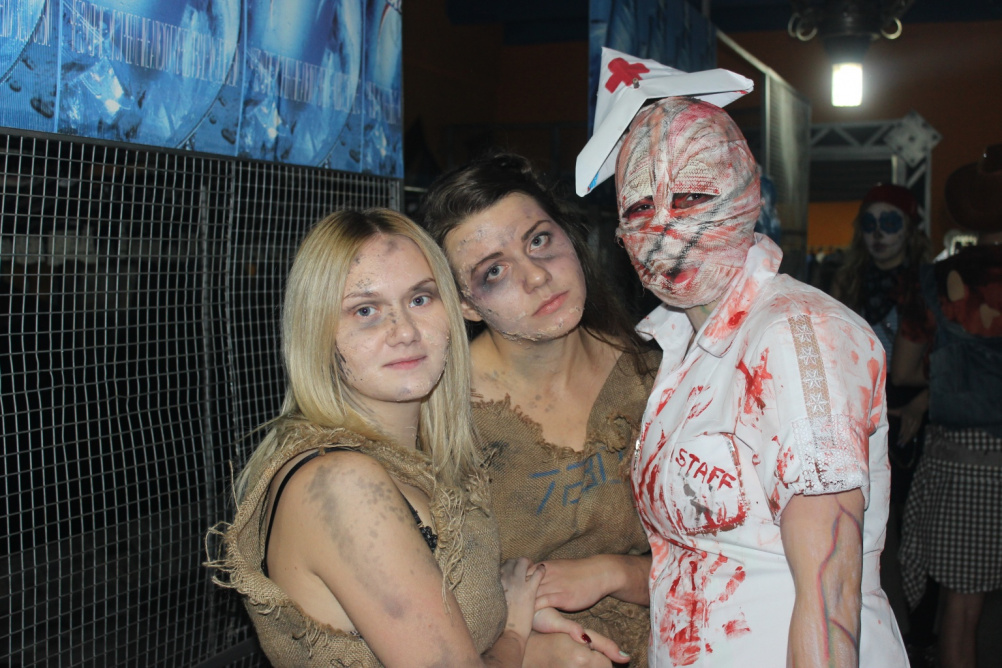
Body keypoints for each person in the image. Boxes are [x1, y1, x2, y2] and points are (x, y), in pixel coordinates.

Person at [575, 65, 908, 664]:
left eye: (691, 196)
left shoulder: (797, 335)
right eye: (640, 206)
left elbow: (829, 590)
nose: (664, 228)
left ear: (747, 193)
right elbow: (690, 556)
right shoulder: (673, 346)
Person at [208, 209, 586, 667]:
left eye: (420, 299)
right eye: (365, 311)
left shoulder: (424, 458)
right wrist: (514, 632)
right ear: (316, 333)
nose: (404, 331)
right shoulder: (341, 484)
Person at [420, 152, 659, 667]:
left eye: (539, 240)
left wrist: (615, 572)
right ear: (465, 305)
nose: (535, 276)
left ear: (570, 236)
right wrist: (521, 648)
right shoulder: (442, 418)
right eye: (494, 271)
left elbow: (735, 553)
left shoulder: (658, 376)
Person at [894, 144, 1002, 668]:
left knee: (960, 612)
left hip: (965, 462)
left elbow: (903, 371)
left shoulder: (934, 283)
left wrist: (948, 380)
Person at [831, 184, 934, 638]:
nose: (878, 234)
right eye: (870, 223)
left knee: (915, 529)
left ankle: (918, 632)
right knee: (866, 526)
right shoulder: (846, 280)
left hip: (913, 417)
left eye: (889, 222)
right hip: (859, 418)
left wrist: (924, 401)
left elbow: (951, 360)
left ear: (909, 229)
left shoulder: (929, 284)